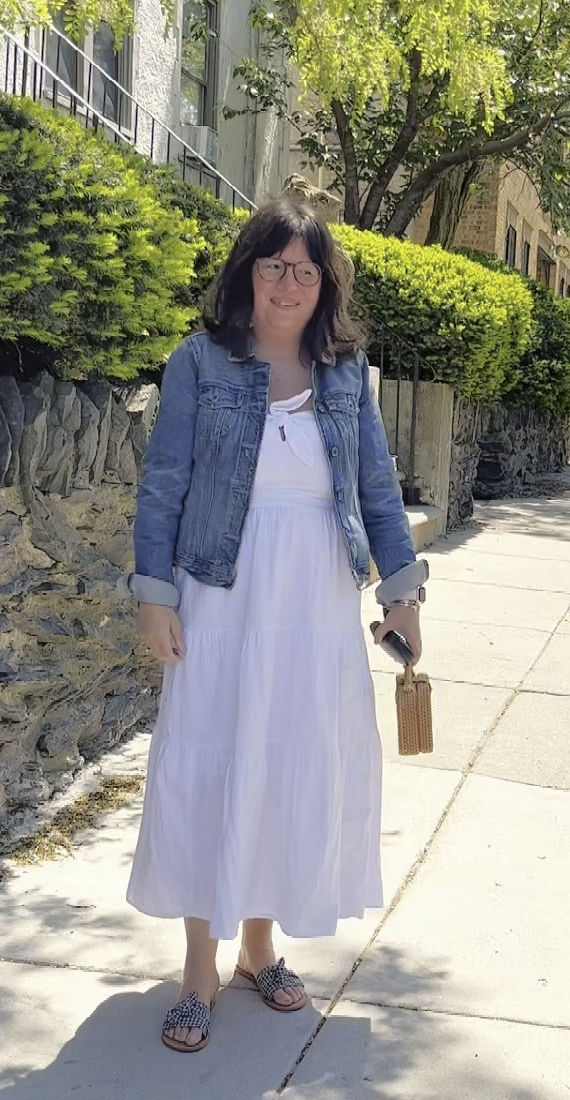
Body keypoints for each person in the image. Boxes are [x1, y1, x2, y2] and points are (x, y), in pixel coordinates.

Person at [125, 196, 427, 1053]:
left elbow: (377, 488)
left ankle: (258, 948)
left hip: (315, 597)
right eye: (272, 267)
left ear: (325, 284)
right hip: (221, 589)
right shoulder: (199, 362)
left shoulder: (345, 373)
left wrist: (403, 593)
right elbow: (164, 483)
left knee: (287, 760)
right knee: (214, 759)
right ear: (247, 273)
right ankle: (199, 966)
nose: (287, 285)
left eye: (305, 271)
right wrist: (155, 593)